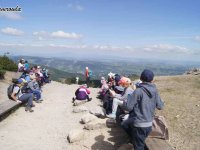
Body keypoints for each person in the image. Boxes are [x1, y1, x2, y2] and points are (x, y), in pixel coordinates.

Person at [122, 69, 164, 150]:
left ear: (141, 78)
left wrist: (127, 101)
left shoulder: (138, 91)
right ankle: (134, 140)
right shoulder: (155, 91)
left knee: (139, 147)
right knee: (139, 142)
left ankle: (134, 140)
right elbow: (160, 106)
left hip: (139, 124)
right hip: (149, 124)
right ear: (152, 80)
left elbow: (128, 107)